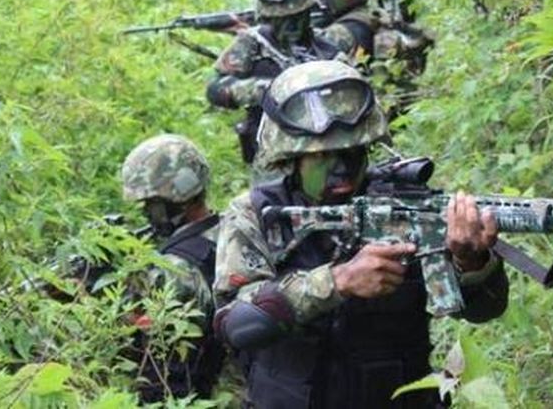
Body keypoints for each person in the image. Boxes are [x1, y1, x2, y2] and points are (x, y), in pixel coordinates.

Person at [212, 61, 509, 408]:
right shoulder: (255, 214)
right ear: (290, 159)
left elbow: (486, 310)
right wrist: (337, 282)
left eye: (354, 154)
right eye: (323, 156)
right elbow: (238, 324)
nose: (342, 169)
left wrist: (471, 262)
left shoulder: (406, 207)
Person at [121, 134, 223, 402]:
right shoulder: (227, 229)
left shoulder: (175, 269)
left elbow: (155, 365)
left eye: (151, 205)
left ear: (179, 197)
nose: (146, 214)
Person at [206, 0, 339, 164]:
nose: (291, 25)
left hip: (324, 147)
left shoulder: (325, 48)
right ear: (268, 17)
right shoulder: (252, 43)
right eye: (282, 19)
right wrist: (262, 90)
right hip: (270, 151)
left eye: (297, 17)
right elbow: (215, 88)